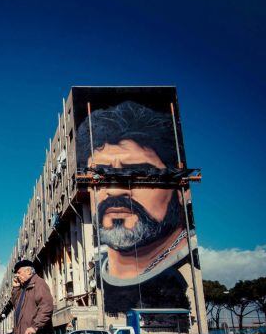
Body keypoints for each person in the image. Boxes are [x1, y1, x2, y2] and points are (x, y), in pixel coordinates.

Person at [76, 100, 197, 314]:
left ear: (182, 189)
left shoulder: (192, 271)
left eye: (137, 174)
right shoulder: (96, 272)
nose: (114, 190)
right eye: (100, 177)